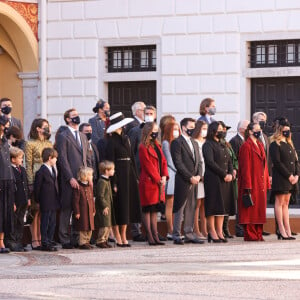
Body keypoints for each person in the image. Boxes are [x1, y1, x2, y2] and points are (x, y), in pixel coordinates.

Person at [55, 108, 92, 249]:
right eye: (74, 116)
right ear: (68, 119)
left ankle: (78, 238)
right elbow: (62, 159)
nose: (77, 117)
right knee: (67, 208)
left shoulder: (82, 136)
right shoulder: (63, 136)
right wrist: (70, 177)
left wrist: (88, 176)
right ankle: (64, 239)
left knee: (80, 209)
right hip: (69, 179)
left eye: (77, 114)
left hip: (83, 179)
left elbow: (86, 158)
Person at [105, 112, 141, 247]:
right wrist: (113, 182)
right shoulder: (111, 141)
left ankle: (124, 234)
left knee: (127, 206)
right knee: (119, 206)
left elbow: (132, 158)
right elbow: (110, 162)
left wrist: (135, 176)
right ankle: (117, 235)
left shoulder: (127, 139)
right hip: (118, 174)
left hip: (129, 175)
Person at [171, 118, 204, 245]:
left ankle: (189, 233)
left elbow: (199, 161)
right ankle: (176, 234)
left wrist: (199, 176)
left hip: (195, 180)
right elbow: (178, 162)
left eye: (194, 126)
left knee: (191, 206)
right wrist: (190, 176)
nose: (193, 129)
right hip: (183, 180)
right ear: (183, 127)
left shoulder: (194, 143)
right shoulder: (177, 142)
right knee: (180, 207)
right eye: (190, 126)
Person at [127, 105, 157, 242]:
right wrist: (134, 173)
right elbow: (131, 152)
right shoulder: (135, 131)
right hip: (139, 173)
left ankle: (152, 232)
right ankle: (136, 231)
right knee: (138, 203)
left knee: (152, 204)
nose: (149, 115)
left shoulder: (156, 131)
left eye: (151, 113)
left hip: (154, 175)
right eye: (147, 113)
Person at [202, 121, 235, 243]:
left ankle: (220, 231)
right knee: (212, 206)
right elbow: (210, 162)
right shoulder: (208, 145)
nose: (222, 131)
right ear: (213, 130)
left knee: (222, 206)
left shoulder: (223, 144)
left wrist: (230, 174)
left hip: (225, 179)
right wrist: (224, 174)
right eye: (220, 129)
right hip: (213, 179)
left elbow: (229, 160)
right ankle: (212, 231)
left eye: (223, 129)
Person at [238, 123, 270, 241]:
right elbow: (245, 168)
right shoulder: (246, 146)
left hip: (260, 183)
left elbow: (264, 165)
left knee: (259, 210)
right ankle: (251, 234)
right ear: (250, 131)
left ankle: (258, 234)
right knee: (250, 210)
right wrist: (247, 185)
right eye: (256, 129)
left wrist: (266, 181)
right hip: (252, 183)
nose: (259, 131)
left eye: (260, 129)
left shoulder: (260, 145)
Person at [25, 118, 53, 250]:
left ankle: (43, 238)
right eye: (45, 126)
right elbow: (28, 164)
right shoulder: (30, 143)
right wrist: (30, 183)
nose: (47, 128)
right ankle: (34, 239)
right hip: (36, 178)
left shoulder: (49, 143)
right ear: (38, 128)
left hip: (48, 179)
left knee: (44, 210)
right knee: (35, 210)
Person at [139, 122, 169, 246]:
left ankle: (155, 234)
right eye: (154, 130)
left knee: (154, 210)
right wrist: (158, 179)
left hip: (158, 183)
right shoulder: (142, 147)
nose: (156, 133)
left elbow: (163, 161)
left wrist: (164, 176)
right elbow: (148, 166)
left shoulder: (157, 145)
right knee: (148, 209)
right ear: (148, 131)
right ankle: (150, 235)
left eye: (157, 130)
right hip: (149, 182)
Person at [269, 119, 298, 240]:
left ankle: (288, 229)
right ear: (279, 131)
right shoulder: (275, 144)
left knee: (286, 203)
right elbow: (277, 162)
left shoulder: (289, 143)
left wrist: (296, 175)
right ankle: (281, 229)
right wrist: (289, 175)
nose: (287, 133)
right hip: (281, 178)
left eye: (288, 131)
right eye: (284, 131)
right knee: (280, 203)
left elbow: (296, 161)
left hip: (291, 179)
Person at [34, 148, 60, 251]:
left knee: (53, 222)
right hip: (45, 201)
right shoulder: (41, 171)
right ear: (50, 158)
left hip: (54, 200)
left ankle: (50, 240)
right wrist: (38, 200)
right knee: (45, 222)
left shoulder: (53, 169)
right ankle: (44, 242)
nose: (56, 160)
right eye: (55, 158)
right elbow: (37, 188)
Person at [6, 147, 30, 252]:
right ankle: (12, 242)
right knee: (14, 221)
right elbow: (10, 188)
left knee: (20, 221)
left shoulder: (22, 169)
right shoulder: (9, 170)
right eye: (20, 158)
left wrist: (28, 198)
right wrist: (13, 202)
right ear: (13, 159)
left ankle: (19, 241)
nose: (21, 160)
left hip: (23, 200)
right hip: (15, 201)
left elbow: (26, 184)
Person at [252, 111, 272, 236]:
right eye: (260, 119)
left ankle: (260, 226)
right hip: (254, 175)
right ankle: (250, 227)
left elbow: (268, 158)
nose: (263, 121)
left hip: (264, 175)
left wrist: (269, 174)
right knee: (253, 201)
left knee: (262, 202)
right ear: (254, 120)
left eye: (264, 119)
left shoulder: (265, 137)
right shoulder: (250, 136)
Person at [229, 119, 250, 237]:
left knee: (245, 203)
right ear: (242, 129)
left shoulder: (246, 140)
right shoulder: (235, 141)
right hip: (239, 177)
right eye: (248, 128)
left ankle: (245, 225)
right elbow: (234, 159)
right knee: (239, 203)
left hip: (245, 176)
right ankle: (239, 228)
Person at [162, 120, 180, 239]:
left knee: (175, 204)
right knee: (170, 203)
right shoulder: (165, 143)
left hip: (178, 175)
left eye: (177, 129)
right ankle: (170, 230)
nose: (176, 131)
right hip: (171, 174)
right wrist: (179, 169)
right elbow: (169, 160)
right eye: (174, 129)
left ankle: (174, 229)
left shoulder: (177, 142)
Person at [219, 121, 237, 239]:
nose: (225, 132)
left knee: (229, 202)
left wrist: (234, 169)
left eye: (226, 130)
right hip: (222, 175)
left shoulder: (227, 143)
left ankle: (225, 227)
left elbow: (233, 158)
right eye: (223, 130)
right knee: (222, 203)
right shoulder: (217, 143)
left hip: (231, 176)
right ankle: (221, 229)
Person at [0, 115, 14, 253]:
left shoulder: (4, 140)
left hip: (7, 179)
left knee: (4, 212)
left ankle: (2, 243)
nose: (7, 127)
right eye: (5, 125)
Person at [192, 120, 208, 239]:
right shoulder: (194, 142)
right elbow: (197, 161)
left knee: (204, 205)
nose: (204, 131)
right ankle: (196, 229)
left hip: (208, 176)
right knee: (197, 204)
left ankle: (205, 230)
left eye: (206, 129)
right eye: (203, 128)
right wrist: (199, 174)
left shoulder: (206, 142)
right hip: (199, 176)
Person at [72, 167, 95, 250]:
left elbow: (92, 199)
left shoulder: (89, 186)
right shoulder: (78, 187)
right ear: (85, 176)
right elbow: (75, 201)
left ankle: (87, 241)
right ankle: (82, 243)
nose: (92, 176)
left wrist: (93, 210)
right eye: (91, 175)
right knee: (83, 228)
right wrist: (77, 212)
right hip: (83, 212)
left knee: (90, 228)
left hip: (89, 212)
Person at [94, 161, 116, 249]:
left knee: (108, 225)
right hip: (104, 208)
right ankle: (100, 241)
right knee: (104, 225)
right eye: (112, 169)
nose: (114, 171)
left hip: (108, 207)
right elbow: (100, 195)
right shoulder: (102, 182)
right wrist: (104, 206)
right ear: (106, 171)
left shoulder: (107, 180)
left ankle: (105, 240)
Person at [79, 123, 100, 191]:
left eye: (90, 131)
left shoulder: (93, 145)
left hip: (95, 179)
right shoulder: (79, 147)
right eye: (86, 131)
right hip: (85, 179)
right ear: (80, 132)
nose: (89, 133)